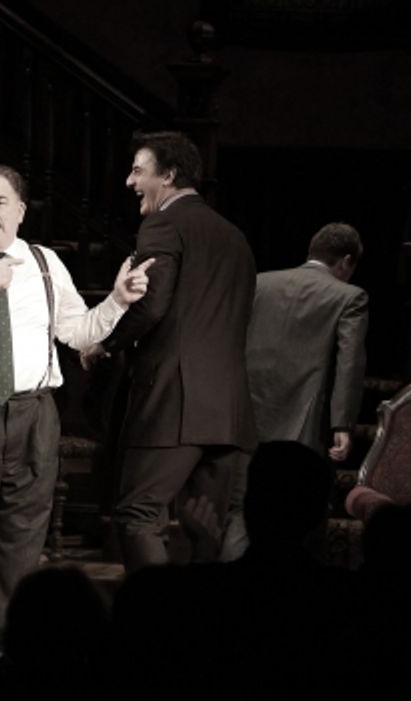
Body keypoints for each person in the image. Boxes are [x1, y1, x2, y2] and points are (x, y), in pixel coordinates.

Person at [0, 164, 152, 646]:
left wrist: (118, 301)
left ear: (20, 211)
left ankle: (7, 650)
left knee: (21, 542)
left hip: (33, 414)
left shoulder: (45, 263)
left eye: (0, 202)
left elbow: (77, 331)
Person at [88, 131, 256, 573]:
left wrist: (104, 342)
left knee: (138, 515)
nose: (129, 181)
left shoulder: (163, 224)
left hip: (173, 403)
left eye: (138, 171)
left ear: (169, 175)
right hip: (228, 410)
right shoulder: (235, 236)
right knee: (207, 532)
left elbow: (152, 304)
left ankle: (156, 612)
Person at [246, 221, 368, 462]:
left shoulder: (260, 283)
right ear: (346, 261)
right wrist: (342, 425)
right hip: (304, 421)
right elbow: (349, 363)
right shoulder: (350, 297)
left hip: (248, 410)